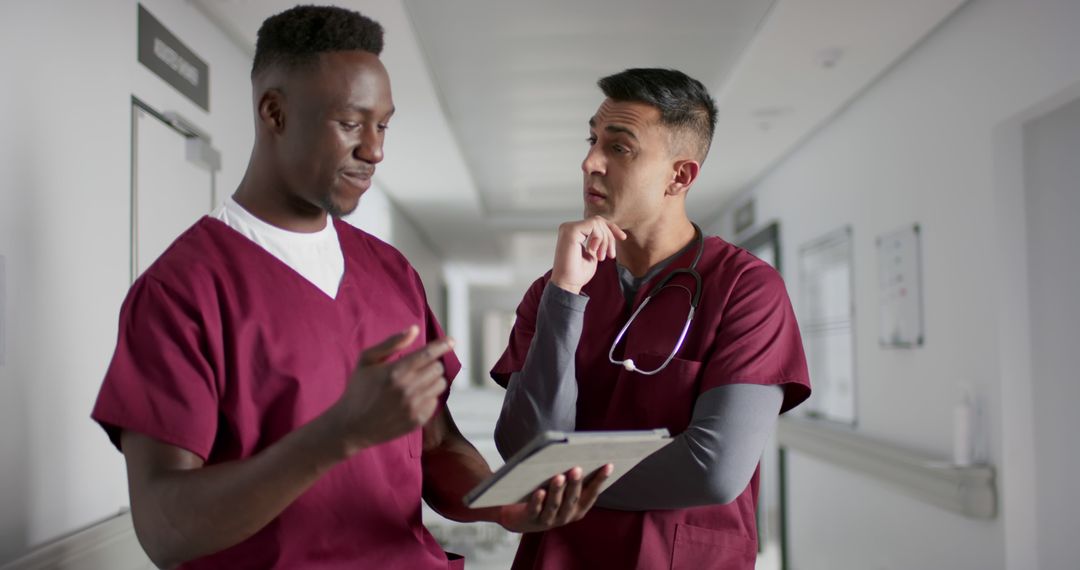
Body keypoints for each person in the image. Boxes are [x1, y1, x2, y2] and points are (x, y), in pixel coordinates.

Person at [91, 6, 608, 569]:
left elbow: (435, 445)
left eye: (382, 125)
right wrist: (335, 436)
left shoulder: (389, 272)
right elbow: (166, 529)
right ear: (274, 112)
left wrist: (502, 502)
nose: (375, 150)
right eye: (350, 123)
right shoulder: (182, 291)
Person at [491, 68, 812, 569]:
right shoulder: (554, 289)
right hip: (558, 557)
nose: (589, 161)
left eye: (618, 148)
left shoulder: (746, 290)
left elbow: (713, 470)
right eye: (592, 140)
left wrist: (554, 475)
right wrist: (565, 296)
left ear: (679, 176)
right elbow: (523, 448)